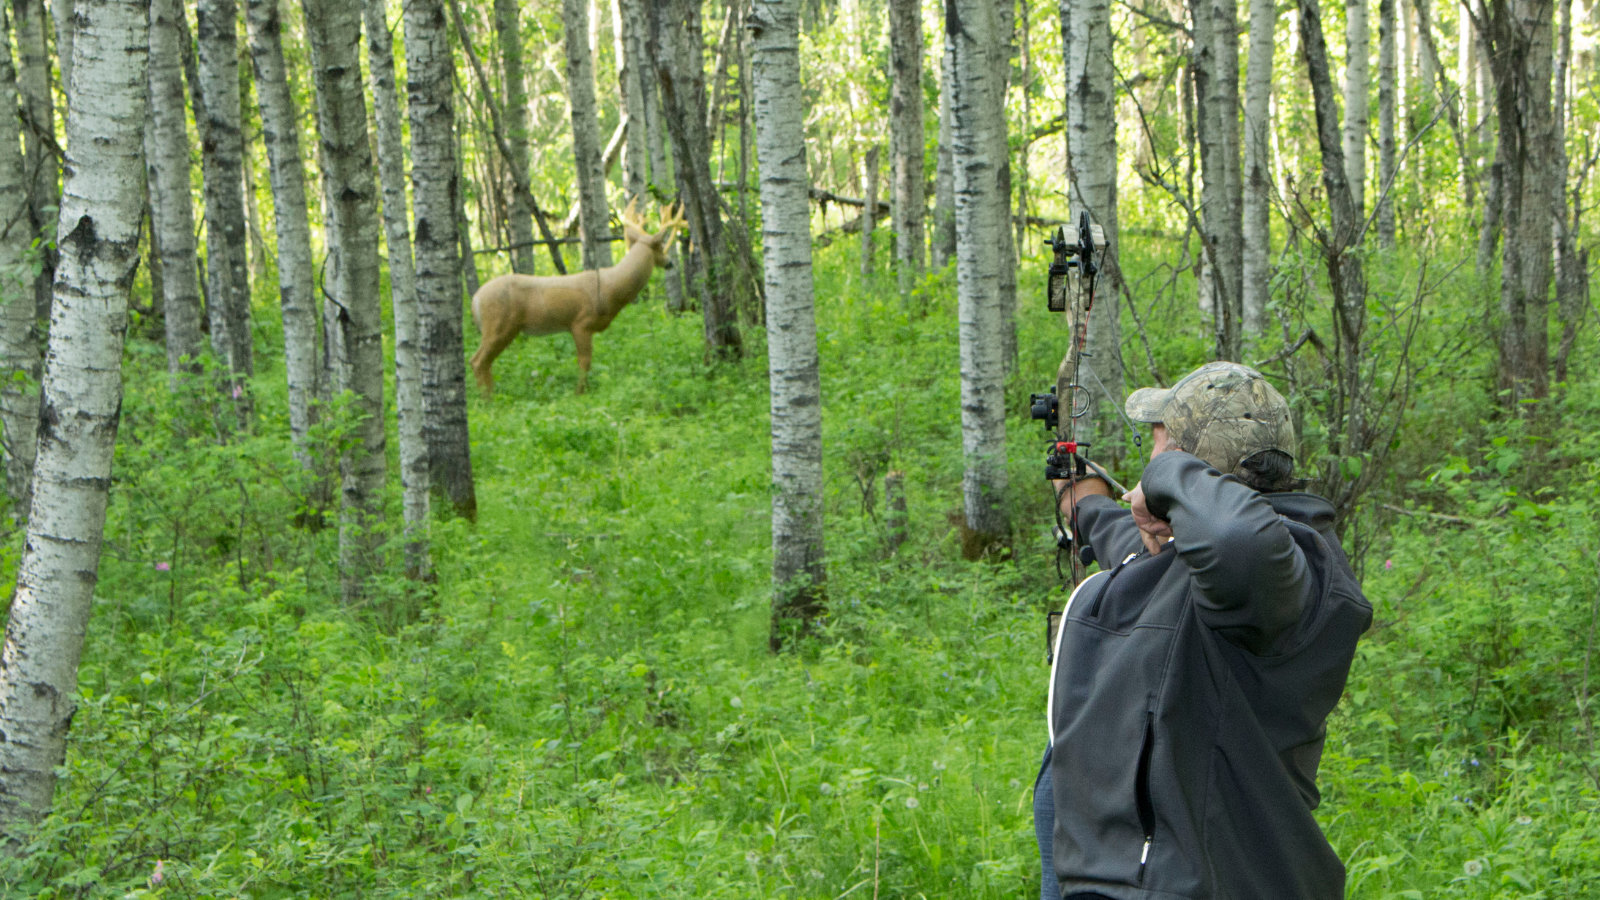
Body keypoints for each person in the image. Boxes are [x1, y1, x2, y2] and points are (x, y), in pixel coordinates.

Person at [1032, 361, 1372, 900]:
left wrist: (1167, 474)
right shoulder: (1202, 560)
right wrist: (1084, 502)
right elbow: (1136, 548)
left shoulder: (1281, 564)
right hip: (1127, 873)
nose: (1150, 462)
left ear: (1194, 474)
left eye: (1158, 444)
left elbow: (1236, 539)